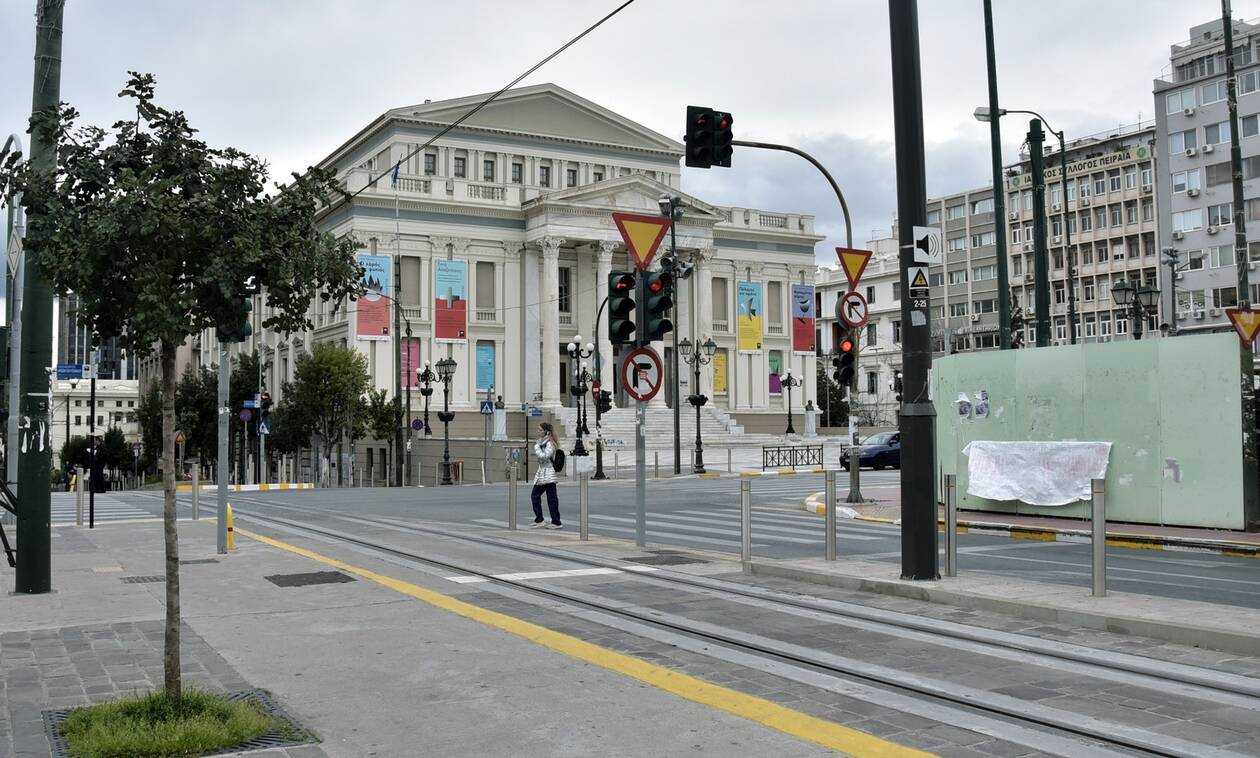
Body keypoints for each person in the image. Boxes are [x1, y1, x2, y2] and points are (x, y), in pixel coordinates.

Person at [531, 422, 562, 528]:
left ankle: (556, 522)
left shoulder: (550, 443)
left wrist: (536, 448)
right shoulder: (540, 442)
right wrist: (538, 446)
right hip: (541, 473)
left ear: (546, 432)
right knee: (535, 496)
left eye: (540, 430)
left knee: (551, 498)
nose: (538, 431)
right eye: (538, 429)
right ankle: (539, 520)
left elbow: (544, 456)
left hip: (549, 473)